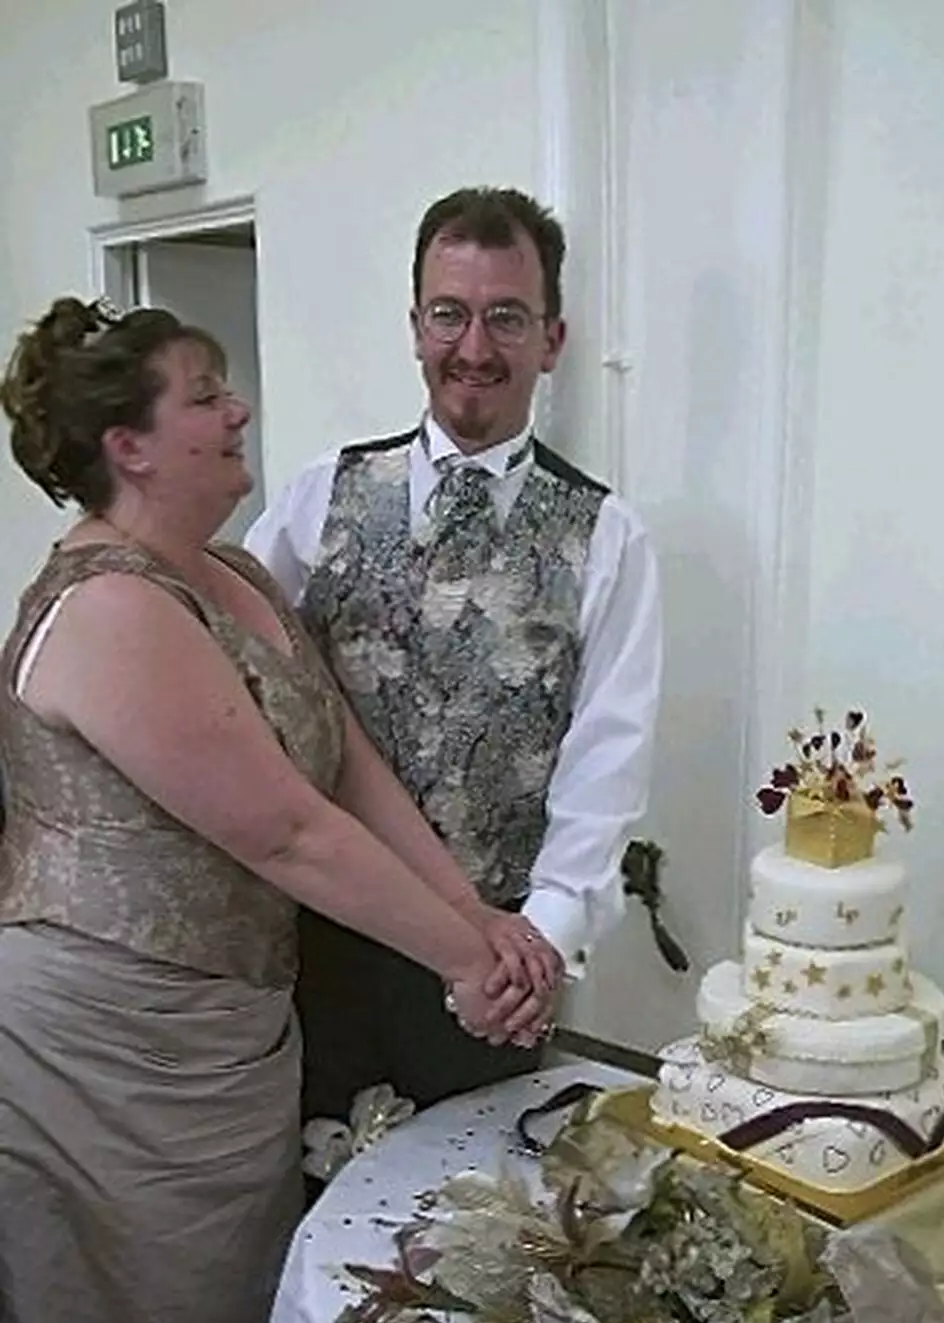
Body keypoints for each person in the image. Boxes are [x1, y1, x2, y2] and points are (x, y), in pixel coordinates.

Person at [0, 296, 559, 1323]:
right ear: (129, 445)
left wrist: (482, 925)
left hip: (232, 1030)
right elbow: (287, 838)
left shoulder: (234, 575)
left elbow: (350, 773)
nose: (237, 408)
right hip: (104, 1051)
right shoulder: (108, 612)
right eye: (204, 393)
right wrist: (467, 966)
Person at [246, 185, 662, 1118]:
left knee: (468, 1240)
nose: (473, 349)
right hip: (314, 949)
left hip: (490, 975)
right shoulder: (320, 495)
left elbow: (607, 766)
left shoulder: (609, 537)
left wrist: (533, 947)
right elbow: (231, 670)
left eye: (506, 318)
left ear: (551, 339)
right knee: (303, 1209)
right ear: (415, 325)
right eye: (450, 315)